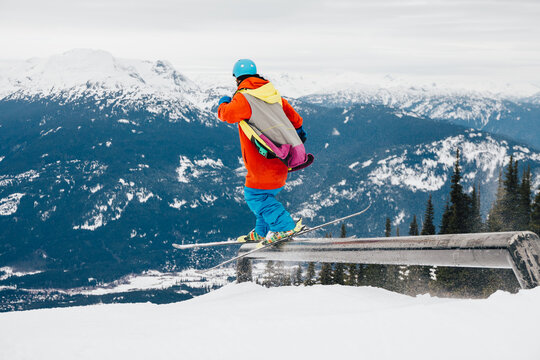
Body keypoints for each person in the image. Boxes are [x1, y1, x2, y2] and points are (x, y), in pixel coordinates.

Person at [217, 59, 309, 244]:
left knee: (255, 195)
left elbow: (227, 114)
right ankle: (262, 231)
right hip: (282, 159)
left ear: (237, 79)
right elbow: (297, 120)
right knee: (264, 196)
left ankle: (284, 227)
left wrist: (223, 102)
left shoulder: (244, 97)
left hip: (263, 159)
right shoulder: (273, 95)